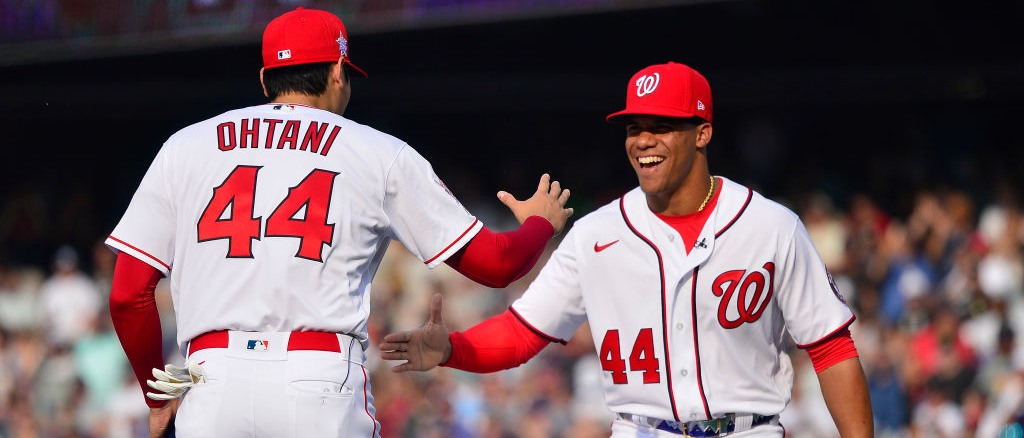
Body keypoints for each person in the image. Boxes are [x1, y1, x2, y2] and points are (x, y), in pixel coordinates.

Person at [104, 7, 573, 438]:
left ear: (266, 79)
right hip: (318, 381)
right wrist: (540, 225)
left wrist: (158, 395)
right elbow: (496, 265)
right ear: (337, 73)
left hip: (212, 382)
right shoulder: (377, 152)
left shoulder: (186, 146)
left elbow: (128, 295)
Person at [381, 62, 875, 437]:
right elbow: (522, 332)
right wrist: (453, 350)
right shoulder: (597, 234)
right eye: (634, 127)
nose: (643, 140)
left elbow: (831, 347)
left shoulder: (771, 226)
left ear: (702, 132)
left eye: (661, 126)